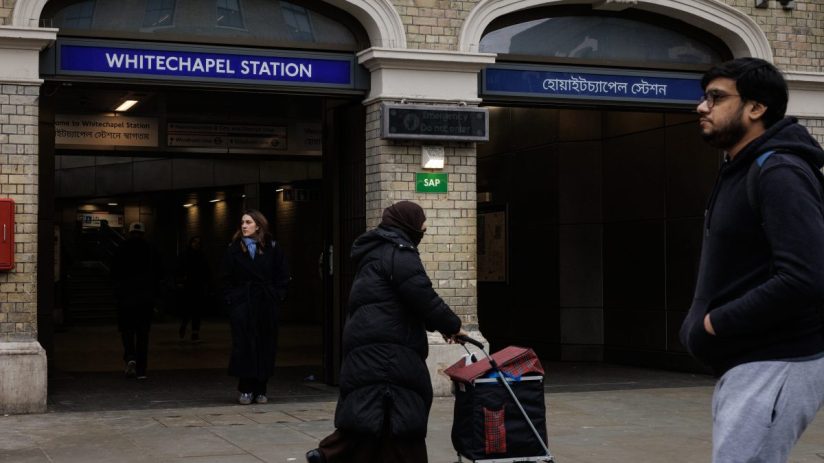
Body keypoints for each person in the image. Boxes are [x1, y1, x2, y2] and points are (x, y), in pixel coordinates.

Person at [680, 57, 824, 462]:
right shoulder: (738, 168)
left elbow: (805, 276)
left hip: (776, 360)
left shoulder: (779, 171)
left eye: (716, 97)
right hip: (746, 363)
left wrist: (716, 322)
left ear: (756, 108)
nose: (702, 107)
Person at [306, 200, 467, 463]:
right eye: (422, 223)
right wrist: (453, 325)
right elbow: (423, 296)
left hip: (375, 346)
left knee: (377, 418)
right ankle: (330, 454)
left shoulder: (377, 252)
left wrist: (435, 324)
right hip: (389, 352)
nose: (424, 228)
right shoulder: (399, 253)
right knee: (401, 419)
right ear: (408, 223)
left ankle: (330, 454)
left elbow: (396, 300)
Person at [220, 209, 289, 405]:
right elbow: (225, 279)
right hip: (243, 303)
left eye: (248, 222)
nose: (244, 226)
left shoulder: (272, 247)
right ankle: (246, 388)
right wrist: (232, 301)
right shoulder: (233, 249)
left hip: (266, 303)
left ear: (258, 225)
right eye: (242, 222)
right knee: (244, 346)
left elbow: (282, 275)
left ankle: (261, 388)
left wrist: (277, 296)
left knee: (265, 345)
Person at [111, 222, 162, 380]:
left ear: (129, 232)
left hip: (126, 299)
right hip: (145, 300)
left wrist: (117, 294)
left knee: (127, 331)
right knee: (143, 334)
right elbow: (159, 274)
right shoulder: (151, 250)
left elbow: (114, 273)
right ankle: (142, 370)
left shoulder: (121, 249)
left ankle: (130, 357)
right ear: (143, 233)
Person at [178, 236, 210, 342]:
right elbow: (180, 268)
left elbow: (206, 271)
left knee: (197, 310)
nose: (196, 244)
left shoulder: (202, 256)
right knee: (187, 309)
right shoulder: (186, 255)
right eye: (194, 242)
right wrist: (181, 280)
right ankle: (184, 325)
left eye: (198, 243)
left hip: (198, 285)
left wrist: (207, 284)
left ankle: (195, 333)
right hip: (188, 285)